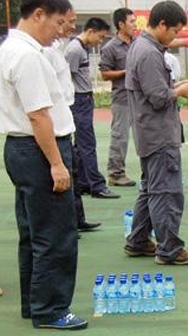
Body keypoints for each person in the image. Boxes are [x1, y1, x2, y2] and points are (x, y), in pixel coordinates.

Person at [0, 0, 87, 330]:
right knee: (55, 234)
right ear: (38, 15)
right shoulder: (27, 56)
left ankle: (34, 303)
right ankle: (51, 309)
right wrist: (56, 163)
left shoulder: (10, 48)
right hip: (40, 151)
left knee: (33, 233)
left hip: (21, 149)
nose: (60, 32)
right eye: (58, 23)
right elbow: (39, 115)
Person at [123, 0, 188, 266]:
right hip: (158, 134)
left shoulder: (142, 47)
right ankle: (169, 249)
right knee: (166, 192)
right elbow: (158, 97)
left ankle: (138, 240)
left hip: (149, 133)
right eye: (174, 31)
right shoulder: (149, 52)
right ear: (162, 24)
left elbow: (153, 89)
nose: (174, 36)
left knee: (151, 190)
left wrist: (176, 86)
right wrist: (179, 91)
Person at [43, 7, 101, 233]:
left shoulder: (58, 47)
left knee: (73, 172)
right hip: (56, 124)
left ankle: (76, 219)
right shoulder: (42, 52)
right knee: (62, 176)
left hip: (66, 118)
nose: (70, 27)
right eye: (67, 22)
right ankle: (67, 225)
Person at [65, 16, 119, 199]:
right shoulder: (74, 50)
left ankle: (83, 183)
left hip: (84, 99)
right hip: (78, 100)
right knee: (87, 144)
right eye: (100, 37)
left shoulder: (82, 48)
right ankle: (97, 185)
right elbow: (66, 78)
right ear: (90, 31)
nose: (100, 41)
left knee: (82, 145)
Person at [99, 8, 138, 188]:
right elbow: (105, 74)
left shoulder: (138, 43)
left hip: (140, 98)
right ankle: (115, 173)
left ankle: (150, 172)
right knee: (120, 137)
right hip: (122, 98)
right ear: (121, 24)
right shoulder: (110, 48)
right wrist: (125, 71)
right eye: (131, 21)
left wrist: (187, 42)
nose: (134, 25)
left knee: (145, 135)